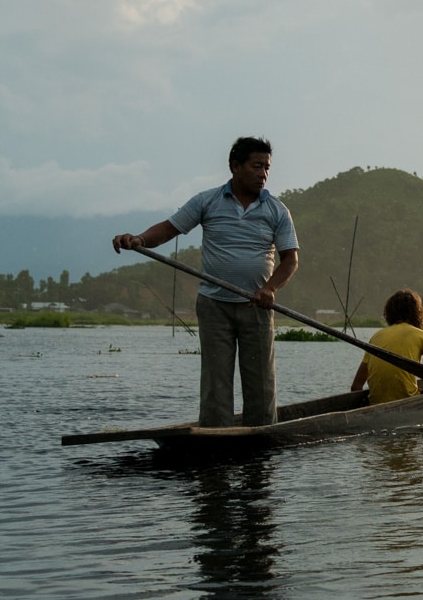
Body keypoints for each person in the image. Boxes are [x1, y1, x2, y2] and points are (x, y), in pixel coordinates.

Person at [112, 137, 298, 427]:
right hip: (214, 305)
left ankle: (261, 438)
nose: (263, 174)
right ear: (235, 166)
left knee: (261, 380)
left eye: (267, 168)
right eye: (256, 166)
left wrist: (269, 289)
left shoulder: (276, 210)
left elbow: (290, 260)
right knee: (216, 379)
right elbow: (169, 228)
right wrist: (140, 240)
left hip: (257, 306)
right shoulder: (207, 201)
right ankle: (216, 436)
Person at [350, 289, 423, 425]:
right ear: (417, 313)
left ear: (389, 313)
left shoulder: (375, 337)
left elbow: (356, 386)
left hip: (377, 404)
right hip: (408, 401)